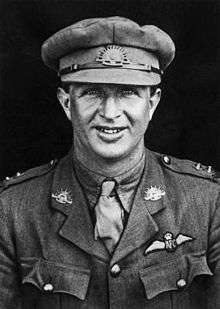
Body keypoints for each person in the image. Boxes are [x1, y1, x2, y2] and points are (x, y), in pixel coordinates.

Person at [0, 16, 219, 309]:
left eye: (128, 92)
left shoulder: (207, 202)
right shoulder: (12, 210)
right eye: (93, 92)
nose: (110, 112)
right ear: (67, 103)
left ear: (152, 103)